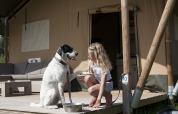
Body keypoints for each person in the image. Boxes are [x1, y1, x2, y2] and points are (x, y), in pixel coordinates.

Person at [80, 42, 113, 108]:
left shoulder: (103, 65)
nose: (88, 56)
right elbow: (93, 74)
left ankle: (107, 95)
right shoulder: (91, 62)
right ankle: (95, 96)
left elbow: (103, 84)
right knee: (87, 78)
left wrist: (99, 100)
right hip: (99, 82)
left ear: (96, 55)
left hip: (107, 84)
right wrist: (85, 79)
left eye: (90, 54)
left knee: (91, 91)